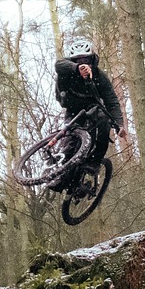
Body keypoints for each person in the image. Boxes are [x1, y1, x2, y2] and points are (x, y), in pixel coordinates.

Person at [52, 36, 126, 186]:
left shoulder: (99, 76)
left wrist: (119, 124)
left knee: (103, 121)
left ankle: (95, 162)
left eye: (86, 59)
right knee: (69, 141)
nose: (83, 63)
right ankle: (62, 176)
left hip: (93, 109)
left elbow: (112, 101)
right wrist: (76, 69)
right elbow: (58, 65)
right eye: (78, 60)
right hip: (72, 109)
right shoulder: (67, 69)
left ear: (92, 59)